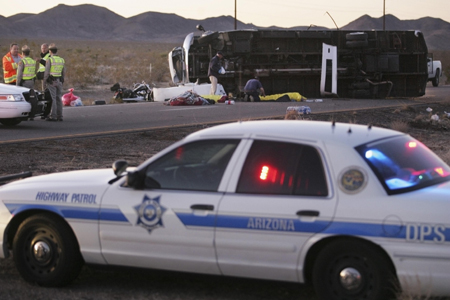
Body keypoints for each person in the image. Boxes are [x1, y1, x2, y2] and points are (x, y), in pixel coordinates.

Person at [43, 43, 65, 122]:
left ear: (50, 51)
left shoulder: (50, 59)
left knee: (53, 99)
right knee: (59, 98)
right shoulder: (61, 60)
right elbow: (63, 72)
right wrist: (62, 80)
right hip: (59, 80)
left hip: (51, 81)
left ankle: (54, 116)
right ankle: (60, 116)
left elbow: (46, 72)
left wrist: (44, 83)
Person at [16, 45, 38, 120]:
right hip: (31, 81)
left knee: (25, 99)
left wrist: (17, 85)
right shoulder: (32, 61)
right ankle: (32, 115)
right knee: (32, 99)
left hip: (24, 83)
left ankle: (25, 115)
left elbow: (19, 74)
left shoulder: (22, 61)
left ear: (22, 53)